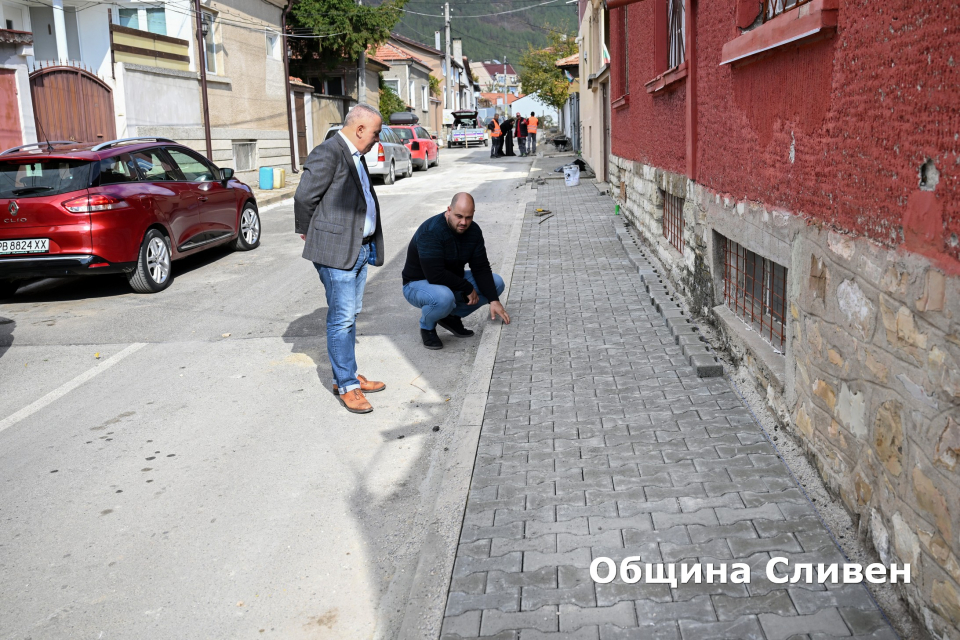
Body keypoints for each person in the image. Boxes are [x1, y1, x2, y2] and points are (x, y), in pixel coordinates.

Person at [294, 103, 387, 415]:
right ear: (359, 129)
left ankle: (345, 375)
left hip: (358, 248)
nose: (377, 140)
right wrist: (310, 232)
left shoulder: (355, 154)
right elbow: (304, 197)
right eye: (375, 133)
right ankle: (347, 385)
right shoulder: (329, 151)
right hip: (337, 251)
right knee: (342, 318)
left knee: (351, 315)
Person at [402, 192, 511, 350]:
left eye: (468, 217)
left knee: (496, 283)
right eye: (459, 216)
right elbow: (435, 275)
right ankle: (427, 326)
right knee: (443, 297)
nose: (463, 222)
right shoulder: (431, 231)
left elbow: (481, 267)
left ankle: (450, 317)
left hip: (450, 280)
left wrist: (494, 300)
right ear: (448, 210)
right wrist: (466, 287)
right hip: (418, 283)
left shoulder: (473, 231)